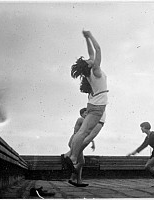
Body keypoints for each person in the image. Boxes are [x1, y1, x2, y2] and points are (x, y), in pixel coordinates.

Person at [64, 30, 108, 179]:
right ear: (89, 65)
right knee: (83, 133)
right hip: (98, 107)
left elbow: (92, 53)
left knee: (82, 131)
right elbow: (98, 49)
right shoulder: (96, 71)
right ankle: (72, 157)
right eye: (89, 60)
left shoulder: (89, 72)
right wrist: (91, 35)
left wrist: (86, 38)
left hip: (92, 104)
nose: (91, 59)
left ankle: (72, 156)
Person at [62, 107, 105, 187]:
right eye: (86, 113)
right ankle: (66, 157)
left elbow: (88, 133)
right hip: (75, 143)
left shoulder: (85, 122)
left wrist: (92, 142)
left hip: (76, 142)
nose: (88, 115)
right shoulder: (81, 119)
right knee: (81, 162)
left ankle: (77, 181)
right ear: (82, 114)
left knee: (81, 162)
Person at [127, 122, 154, 187]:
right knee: (147, 166)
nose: (141, 129)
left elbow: (145, 145)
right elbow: (143, 145)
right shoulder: (148, 137)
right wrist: (133, 152)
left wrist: (134, 152)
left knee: (148, 166)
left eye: (141, 127)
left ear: (145, 127)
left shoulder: (153, 135)